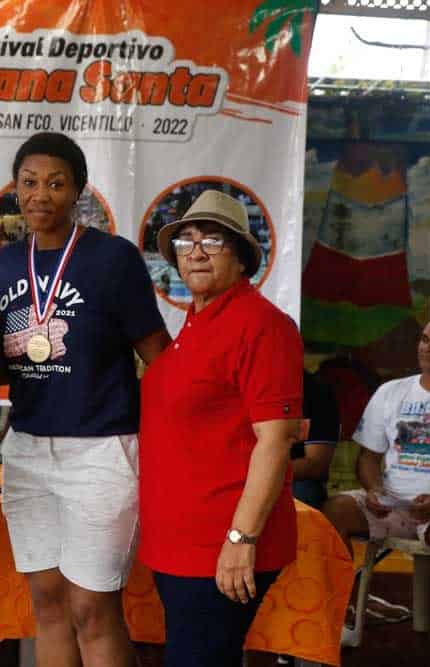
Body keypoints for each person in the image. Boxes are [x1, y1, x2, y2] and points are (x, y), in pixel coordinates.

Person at [0, 132, 170, 667]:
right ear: (15, 189)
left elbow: (157, 351)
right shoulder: (6, 263)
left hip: (101, 449)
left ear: (79, 191)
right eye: (29, 182)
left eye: (55, 183)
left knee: (92, 607)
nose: (40, 194)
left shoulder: (112, 258)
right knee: (46, 602)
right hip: (26, 448)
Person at [138, 189, 303, 667]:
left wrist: (240, 539)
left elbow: (275, 440)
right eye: (186, 242)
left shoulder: (262, 325)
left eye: (212, 239)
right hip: (177, 545)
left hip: (220, 544)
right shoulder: (193, 325)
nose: (197, 251)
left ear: (241, 255)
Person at [322, 318, 430, 660]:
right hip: (391, 505)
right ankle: (340, 621)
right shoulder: (391, 392)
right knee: (333, 512)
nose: (427, 347)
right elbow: (369, 458)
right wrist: (374, 490)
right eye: (424, 339)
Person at [291, 371, 340, 509]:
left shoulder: (315, 390)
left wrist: (262, 472)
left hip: (292, 480)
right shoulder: (239, 388)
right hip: (240, 473)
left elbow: (317, 465)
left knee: (304, 489)